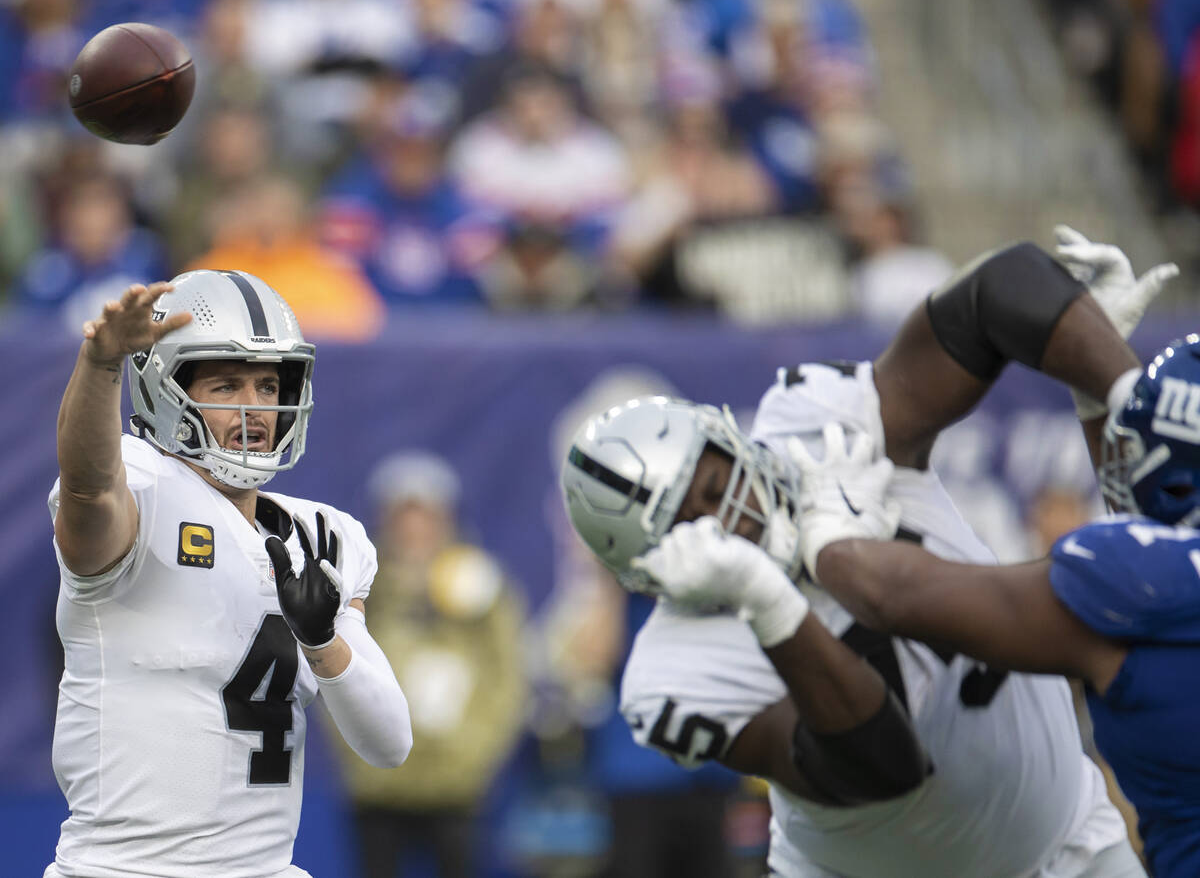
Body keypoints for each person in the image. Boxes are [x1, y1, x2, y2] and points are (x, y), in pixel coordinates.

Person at [559, 229, 1172, 876]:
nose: (726, 519)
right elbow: (881, 766)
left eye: (715, 486)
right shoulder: (673, 677)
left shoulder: (814, 428)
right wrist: (793, 595)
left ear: (729, 438)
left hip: (1071, 844)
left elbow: (998, 291)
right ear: (644, 576)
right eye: (687, 526)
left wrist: (1122, 391)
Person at [788, 325, 1200, 874]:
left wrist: (828, 528)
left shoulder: (1144, 582)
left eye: (1140, 451)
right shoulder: (1157, 585)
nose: (1119, 466)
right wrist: (1097, 395)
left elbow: (894, 594)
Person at [47, 271, 414, 878]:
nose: (256, 407)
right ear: (165, 392)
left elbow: (388, 744)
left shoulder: (325, 538)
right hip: (119, 869)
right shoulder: (142, 493)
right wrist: (100, 365)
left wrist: (323, 644)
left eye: (269, 385)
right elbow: (88, 481)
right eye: (226, 384)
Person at [337, 451, 527, 878]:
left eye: (426, 515)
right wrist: (360, 752)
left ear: (446, 519)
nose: (415, 528)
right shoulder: (362, 586)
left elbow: (508, 676)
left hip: (455, 782)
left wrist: (474, 754)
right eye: (404, 515)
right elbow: (336, 669)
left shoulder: (482, 586)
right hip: (378, 785)